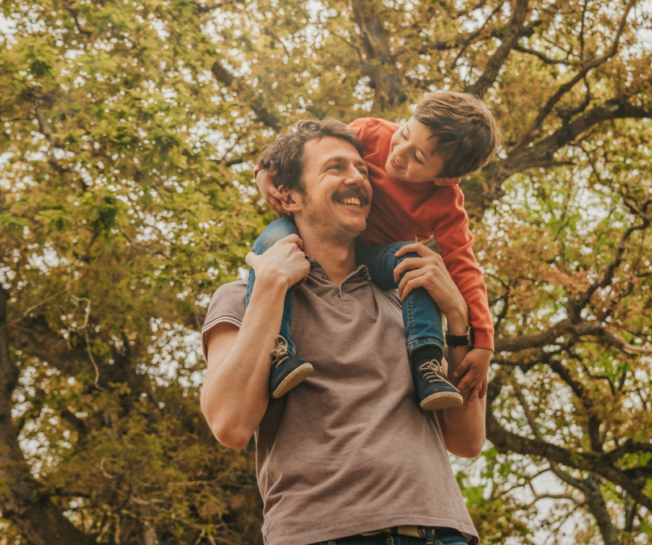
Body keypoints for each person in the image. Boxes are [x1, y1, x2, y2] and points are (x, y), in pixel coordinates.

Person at [200, 119, 486, 545]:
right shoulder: (241, 298)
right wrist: (271, 289)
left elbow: (466, 441)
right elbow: (230, 425)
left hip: (438, 530)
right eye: (335, 168)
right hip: (320, 534)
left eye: (361, 168)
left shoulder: (409, 301)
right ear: (290, 195)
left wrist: (459, 321)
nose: (357, 177)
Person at [247, 92, 500, 411]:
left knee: (417, 265)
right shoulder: (370, 133)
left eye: (418, 158)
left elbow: (464, 267)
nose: (400, 152)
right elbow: (303, 152)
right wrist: (264, 177)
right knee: (273, 242)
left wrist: (484, 343)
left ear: (445, 177)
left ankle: (427, 362)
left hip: (372, 258)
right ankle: (276, 350)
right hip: (310, 235)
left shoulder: (446, 205)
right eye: (405, 133)